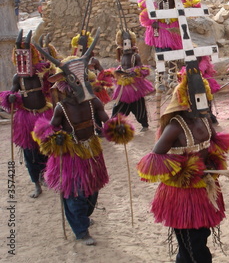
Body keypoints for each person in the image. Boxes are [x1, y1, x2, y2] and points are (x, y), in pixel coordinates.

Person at [32, 31, 133, 245]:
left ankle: (84, 216)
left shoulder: (93, 102)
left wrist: (118, 128)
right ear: (66, 84)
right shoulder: (61, 108)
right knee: (75, 192)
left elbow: (106, 119)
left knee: (92, 189)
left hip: (92, 151)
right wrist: (57, 138)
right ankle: (81, 230)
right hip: (70, 154)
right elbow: (48, 131)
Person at [137, 68, 229, 262]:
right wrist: (184, 170)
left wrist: (210, 159)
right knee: (191, 243)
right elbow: (154, 157)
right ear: (186, 101)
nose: (204, 103)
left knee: (201, 235)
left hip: (204, 188)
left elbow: (214, 142)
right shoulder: (175, 127)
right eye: (198, 99)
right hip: (182, 193)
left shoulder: (204, 117)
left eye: (205, 98)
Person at [0, 30, 53, 198]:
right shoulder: (18, 77)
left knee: (46, 149)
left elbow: (53, 81)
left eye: (27, 56)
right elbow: (12, 93)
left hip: (43, 117)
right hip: (26, 119)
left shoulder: (41, 73)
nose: (24, 61)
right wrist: (10, 97)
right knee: (30, 152)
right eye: (21, 57)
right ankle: (36, 183)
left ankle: (46, 175)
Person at [111, 28, 154, 132]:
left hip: (134, 87)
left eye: (128, 43)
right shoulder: (122, 57)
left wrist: (133, 72)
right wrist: (119, 72)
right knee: (119, 105)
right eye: (124, 43)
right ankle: (114, 124)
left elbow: (141, 69)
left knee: (139, 104)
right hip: (123, 87)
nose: (126, 45)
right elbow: (122, 67)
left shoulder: (136, 56)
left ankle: (144, 124)